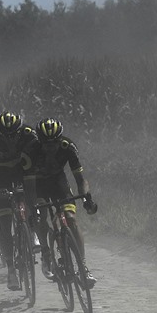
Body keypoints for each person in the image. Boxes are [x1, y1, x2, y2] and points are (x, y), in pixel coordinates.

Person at [23, 118, 98, 286]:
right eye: (46, 144)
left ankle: (82, 267)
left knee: (70, 218)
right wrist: (32, 208)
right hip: (37, 185)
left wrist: (87, 198)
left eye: (54, 144)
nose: (50, 148)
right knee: (40, 216)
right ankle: (46, 252)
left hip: (58, 183)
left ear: (59, 140)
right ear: (39, 142)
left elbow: (80, 179)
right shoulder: (30, 152)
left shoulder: (68, 146)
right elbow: (28, 186)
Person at [0, 111, 38, 290]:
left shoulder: (28, 133)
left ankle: (33, 232)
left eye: (13, 134)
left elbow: (38, 157)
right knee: (4, 225)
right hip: (1, 177)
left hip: (23, 172)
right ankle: (11, 270)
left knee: (32, 201)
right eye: (6, 135)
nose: (10, 138)